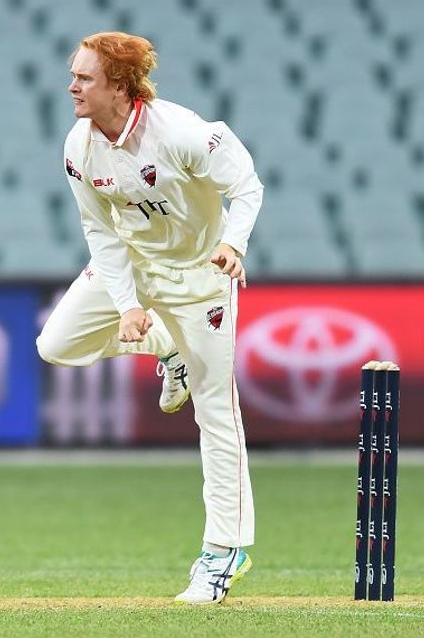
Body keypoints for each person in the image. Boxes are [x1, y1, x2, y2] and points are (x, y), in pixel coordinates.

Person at [37, 31, 263, 605]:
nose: (73, 86)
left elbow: (247, 185)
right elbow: (99, 232)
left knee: (217, 410)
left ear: (119, 85)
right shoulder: (78, 145)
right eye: (74, 75)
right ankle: (167, 350)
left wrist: (234, 245)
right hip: (135, 265)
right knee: (56, 344)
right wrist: (128, 306)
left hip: (199, 278)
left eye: (85, 77)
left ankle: (224, 553)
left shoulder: (183, 132)